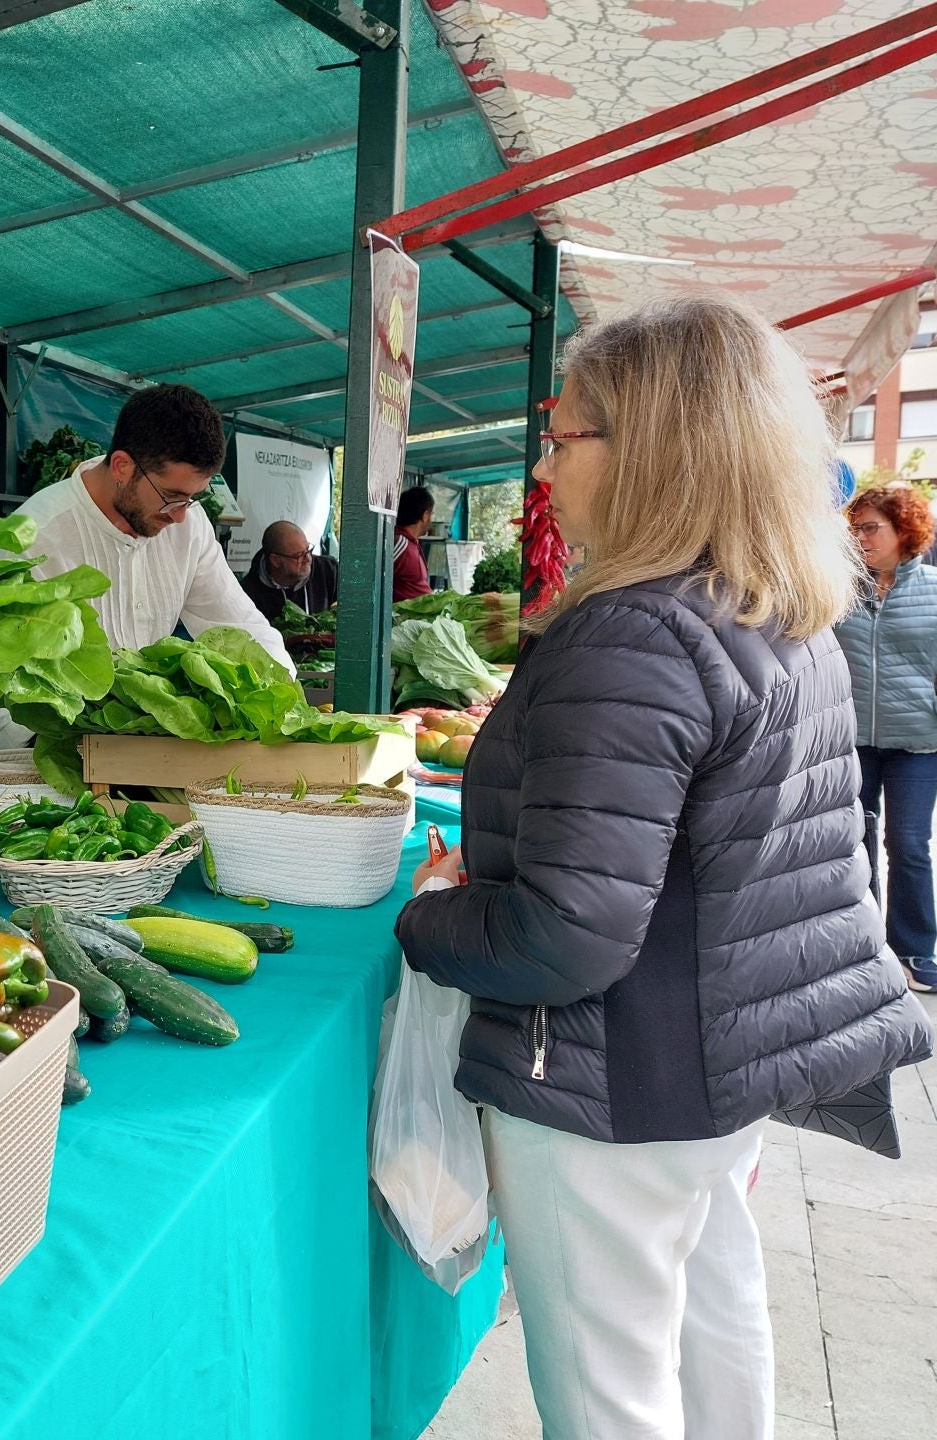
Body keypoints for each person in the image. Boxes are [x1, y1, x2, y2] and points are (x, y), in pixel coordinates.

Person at [396, 294, 932, 1440]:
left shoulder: (635, 630)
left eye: (564, 435)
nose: (545, 466)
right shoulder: (775, 611)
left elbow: (566, 935)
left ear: (647, 449)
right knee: (712, 1320)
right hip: (715, 1068)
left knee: (608, 1397)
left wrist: (429, 916)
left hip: (614, 1078)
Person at [0, 385, 292, 746]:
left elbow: (238, 625)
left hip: (144, 746)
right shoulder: (37, 536)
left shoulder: (189, 524)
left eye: (190, 499)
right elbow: (4, 700)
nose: (178, 517)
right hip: (47, 753)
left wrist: (286, 698)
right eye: (170, 497)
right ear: (123, 466)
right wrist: (97, 753)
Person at [834, 484, 937, 993]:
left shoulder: (935, 590)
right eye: (854, 529)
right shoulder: (842, 590)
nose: (860, 538)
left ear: (904, 530)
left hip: (918, 743)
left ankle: (915, 950)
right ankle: (866, 942)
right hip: (854, 741)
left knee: (910, 844)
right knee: (855, 842)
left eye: (870, 528)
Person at [240, 519, 339, 623]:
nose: (308, 559)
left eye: (308, 550)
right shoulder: (247, 594)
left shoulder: (329, 570)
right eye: (299, 556)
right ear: (276, 561)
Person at [391, 485, 435, 600]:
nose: (431, 519)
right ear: (425, 516)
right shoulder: (400, 543)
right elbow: (374, 574)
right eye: (431, 514)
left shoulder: (412, 543)